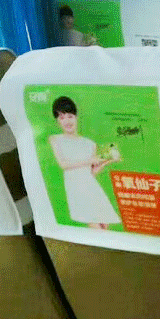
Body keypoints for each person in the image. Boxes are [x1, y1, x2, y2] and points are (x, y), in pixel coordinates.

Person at [48, 96, 121, 229]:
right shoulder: (55, 139)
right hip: (77, 190)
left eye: (70, 116)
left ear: (76, 117)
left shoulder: (90, 143)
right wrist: (90, 160)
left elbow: (91, 173)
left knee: (104, 227)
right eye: (62, 118)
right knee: (96, 228)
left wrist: (107, 161)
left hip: (92, 188)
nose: (67, 121)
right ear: (57, 121)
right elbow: (63, 165)